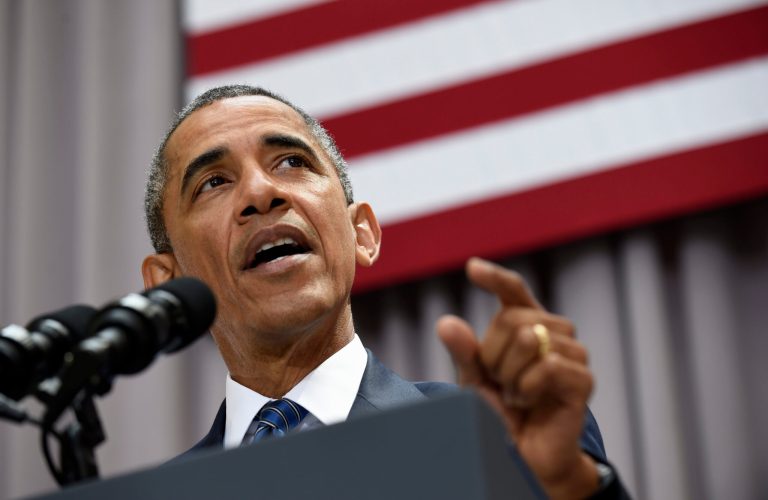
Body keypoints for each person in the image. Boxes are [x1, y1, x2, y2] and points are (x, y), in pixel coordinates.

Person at [141, 85, 629, 499]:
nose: (260, 193)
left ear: (362, 235)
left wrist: (565, 487)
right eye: (213, 182)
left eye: (291, 161)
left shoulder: (494, 434)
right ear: (168, 283)